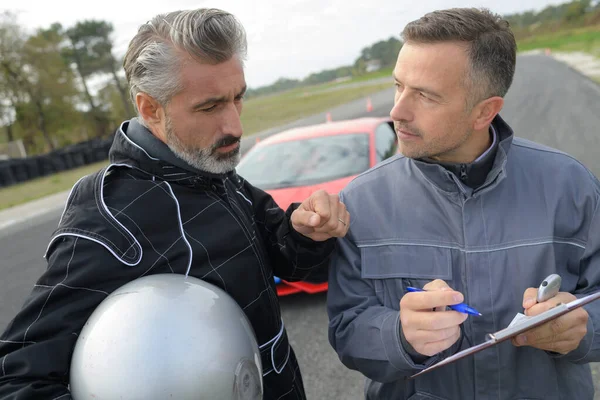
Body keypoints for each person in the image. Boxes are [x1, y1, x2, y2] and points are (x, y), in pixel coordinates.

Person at [0, 8, 350, 399]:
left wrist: (305, 231)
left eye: (238, 98)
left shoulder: (211, 169)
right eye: (210, 106)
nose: (234, 125)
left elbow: (289, 259)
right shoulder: (109, 217)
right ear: (150, 109)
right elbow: (17, 377)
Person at [327, 7, 600, 400]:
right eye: (398, 86)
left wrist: (582, 329)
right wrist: (398, 336)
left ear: (485, 111)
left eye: (424, 95)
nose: (397, 111)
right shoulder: (360, 202)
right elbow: (347, 330)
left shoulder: (572, 187)